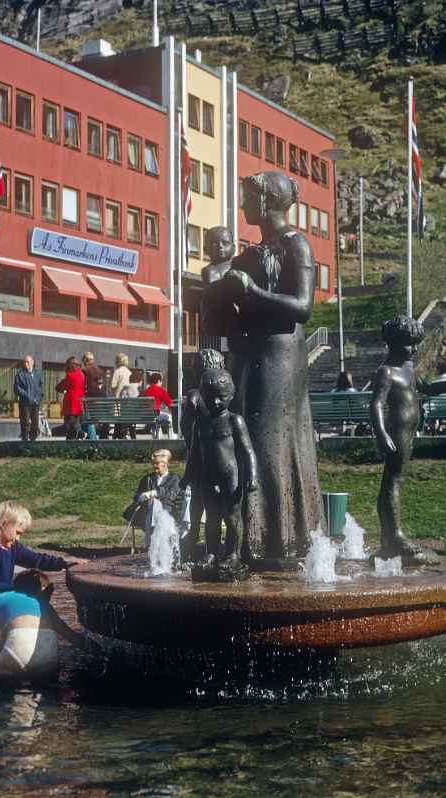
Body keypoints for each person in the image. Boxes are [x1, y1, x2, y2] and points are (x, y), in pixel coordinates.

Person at [200, 170, 325, 561]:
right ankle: (249, 539)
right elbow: (228, 313)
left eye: (248, 198)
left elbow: (302, 308)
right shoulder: (248, 255)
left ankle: (281, 539)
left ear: (267, 201)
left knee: (272, 440)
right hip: (247, 354)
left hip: (280, 357)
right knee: (249, 438)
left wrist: (251, 291)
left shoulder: (296, 246)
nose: (242, 205)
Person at [0, 500, 81, 658]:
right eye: (17, 532)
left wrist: (64, 563)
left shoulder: (11, 546)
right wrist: (17, 592)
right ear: (4, 523)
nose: (18, 538)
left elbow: (36, 559)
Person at [371, 316, 441, 564]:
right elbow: (376, 404)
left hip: (409, 432)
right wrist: (382, 433)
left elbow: (428, 387)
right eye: (410, 344)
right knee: (392, 481)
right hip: (396, 432)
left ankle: (388, 538)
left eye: (416, 343)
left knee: (392, 480)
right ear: (394, 343)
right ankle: (394, 537)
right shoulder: (386, 372)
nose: (415, 349)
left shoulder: (409, 369)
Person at [181, 368, 258, 578]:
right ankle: (212, 552)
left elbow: (248, 451)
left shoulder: (234, 420)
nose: (215, 402)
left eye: (221, 397)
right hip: (208, 477)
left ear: (231, 395)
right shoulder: (200, 423)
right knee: (212, 517)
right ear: (202, 396)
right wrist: (187, 476)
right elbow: (194, 453)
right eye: (209, 397)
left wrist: (252, 476)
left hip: (230, 477)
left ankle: (233, 554)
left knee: (232, 517)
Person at [0, 569, 87, 682]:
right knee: (46, 686)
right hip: (48, 653)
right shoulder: (46, 606)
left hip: (17, 649)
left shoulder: (4, 596)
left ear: (16, 586)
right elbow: (72, 637)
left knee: (0, 682)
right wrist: (93, 648)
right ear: (41, 590)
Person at [180, 348, 225, 560]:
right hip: (205, 459)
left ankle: (200, 545)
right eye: (221, 366)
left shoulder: (202, 395)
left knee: (202, 504)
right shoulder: (197, 396)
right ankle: (204, 546)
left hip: (205, 457)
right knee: (204, 504)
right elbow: (186, 426)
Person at [123, 449, 181, 549]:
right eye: (153, 463)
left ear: (166, 464)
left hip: (168, 511)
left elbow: (172, 495)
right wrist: (140, 497)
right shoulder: (148, 478)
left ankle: (151, 540)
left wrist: (155, 493)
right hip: (147, 512)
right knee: (153, 503)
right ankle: (156, 540)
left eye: (157, 463)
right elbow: (136, 496)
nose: (154, 466)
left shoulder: (175, 478)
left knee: (155, 503)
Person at [56, 356, 85, 440]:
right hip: (80, 403)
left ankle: (76, 436)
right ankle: (78, 434)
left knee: (70, 425)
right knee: (76, 423)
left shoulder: (70, 375)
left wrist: (63, 390)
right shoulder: (81, 374)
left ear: (70, 365)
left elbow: (60, 387)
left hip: (71, 404)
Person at [14, 355, 42, 442]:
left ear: (32, 362)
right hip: (25, 403)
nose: (26, 364)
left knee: (35, 423)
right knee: (25, 422)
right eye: (25, 362)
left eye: (28, 362)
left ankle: (33, 440)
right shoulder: (20, 374)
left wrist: (38, 398)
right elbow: (17, 388)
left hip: (35, 403)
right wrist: (27, 396)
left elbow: (40, 387)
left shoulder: (37, 374)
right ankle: (25, 440)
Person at [141, 373, 174, 437]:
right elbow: (170, 404)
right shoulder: (161, 390)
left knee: (157, 415)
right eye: (161, 381)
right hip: (155, 415)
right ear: (159, 381)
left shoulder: (145, 391)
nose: (161, 383)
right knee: (170, 417)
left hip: (145, 416)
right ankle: (171, 438)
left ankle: (156, 436)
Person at [111, 353, 132, 439]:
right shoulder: (129, 372)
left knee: (118, 418)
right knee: (123, 418)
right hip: (127, 403)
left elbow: (113, 386)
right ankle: (123, 434)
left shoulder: (117, 371)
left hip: (118, 401)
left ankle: (118, 435)